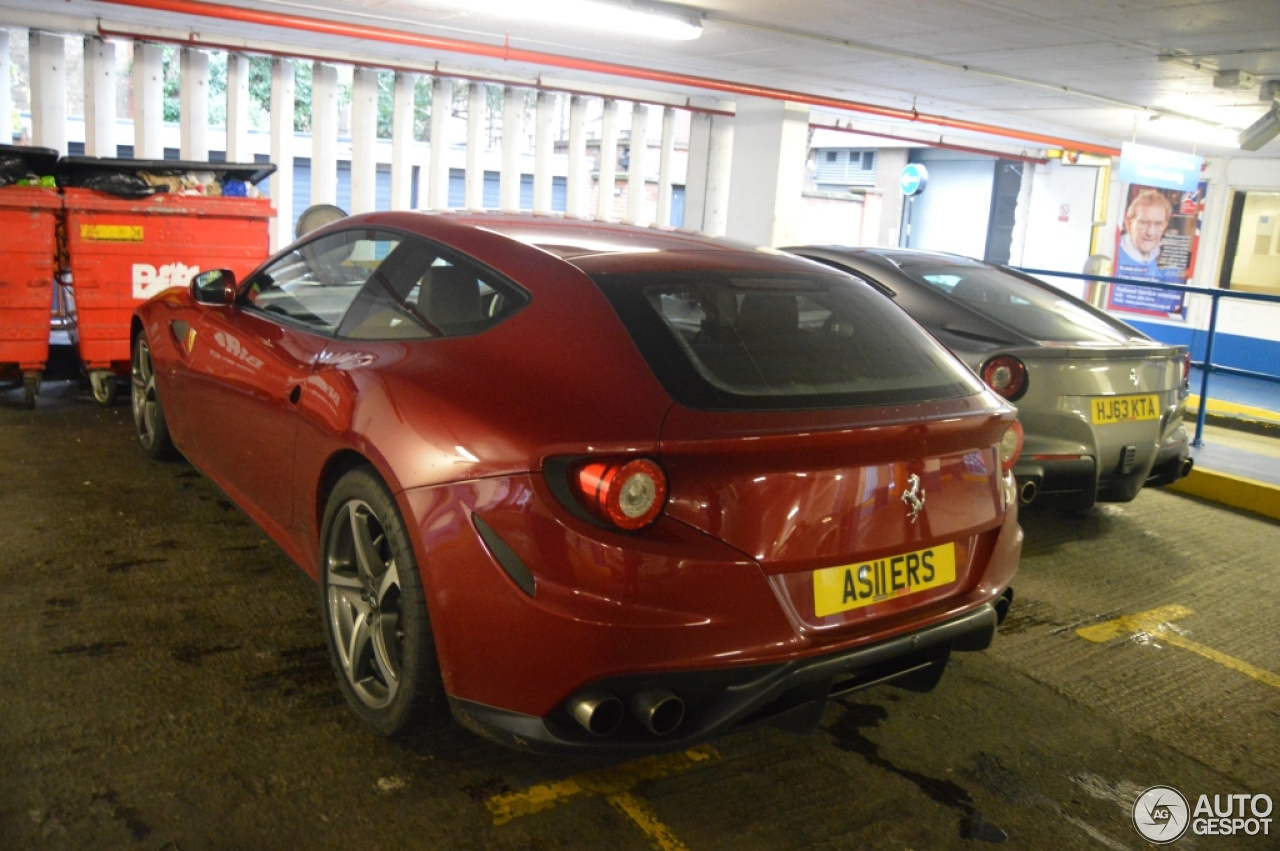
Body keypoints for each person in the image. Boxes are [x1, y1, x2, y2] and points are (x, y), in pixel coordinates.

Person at [1117, 189, 1172, 279]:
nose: (1150, 232)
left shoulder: (1162, 258)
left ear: (1165, 226)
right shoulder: (1113, 254)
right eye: (1144, 222)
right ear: (1128, 223)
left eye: (1158, 224)